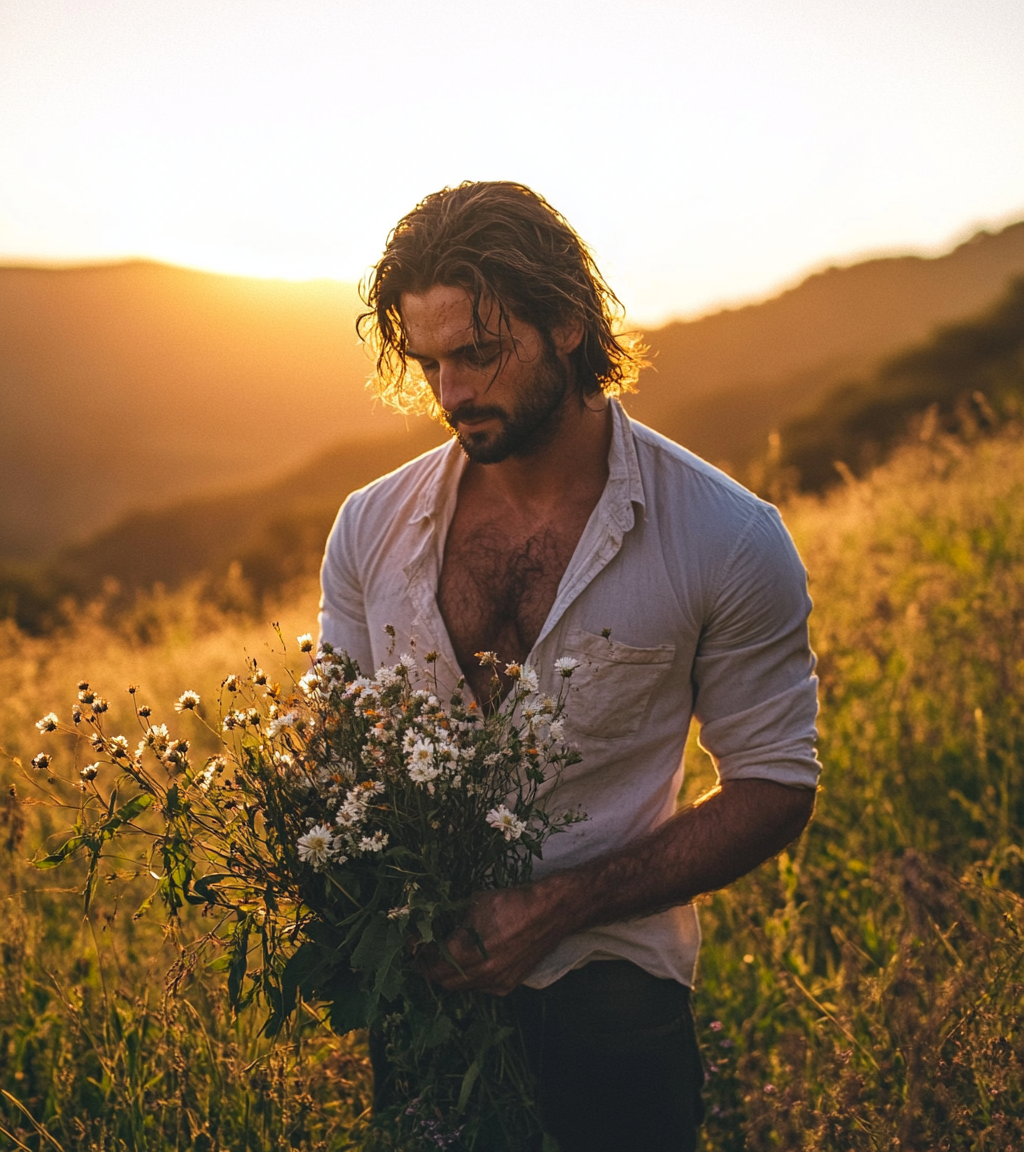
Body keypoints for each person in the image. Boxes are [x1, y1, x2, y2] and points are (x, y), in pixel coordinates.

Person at [318, 181, 820, 1151]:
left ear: (569, 324)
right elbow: (341, 755)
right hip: (425, 992)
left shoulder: (725, 537)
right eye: (428, 363)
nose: (452, 392)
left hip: (613, 993)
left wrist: (556, 908)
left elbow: (775, 785)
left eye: (479, 352)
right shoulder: (367, 525)